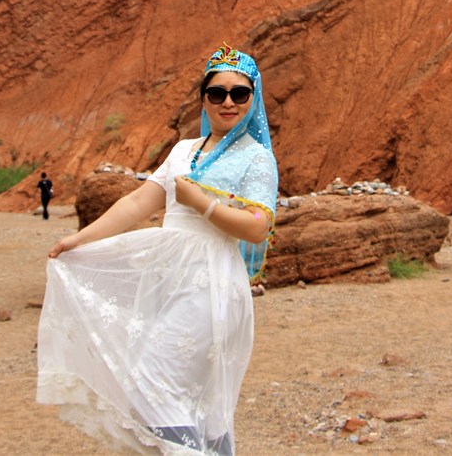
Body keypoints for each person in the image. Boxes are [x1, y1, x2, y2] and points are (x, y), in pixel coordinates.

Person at [36, 43, 278, 455]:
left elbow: (258, 228)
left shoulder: (255, 158)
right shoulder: (184, 151)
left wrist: (201, 202)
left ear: (253, 99)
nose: (228, 102)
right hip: (169, 280)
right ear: (204, 98)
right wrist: (80, 239)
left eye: (240, 93)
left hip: (212, 284)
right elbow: (137, 203)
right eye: (217, 93)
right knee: (192, 398)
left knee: (154, 380)